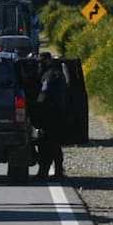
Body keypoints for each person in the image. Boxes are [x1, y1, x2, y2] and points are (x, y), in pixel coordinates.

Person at [34, 52, 67, 183]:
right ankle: (57, 172)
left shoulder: (50, 76)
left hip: (50, 115)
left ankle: (43, 173)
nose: (39, 65)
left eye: (41, 62)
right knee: (55, 145)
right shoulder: (57, 74)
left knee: (46, 145)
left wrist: (37, 109)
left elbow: (44, 95)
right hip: (57, 114)